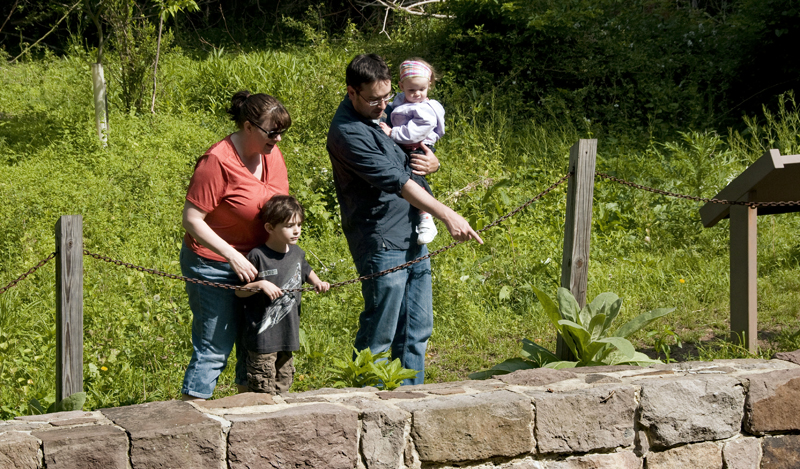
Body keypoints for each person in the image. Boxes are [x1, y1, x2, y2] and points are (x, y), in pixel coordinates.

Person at [327, 53, 483, 385]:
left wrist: (433, 163)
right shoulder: (348, 132)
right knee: (380, 332)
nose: (382, 105)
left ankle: (412, 401)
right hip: (380, 238)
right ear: (351, 92)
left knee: (416, 328)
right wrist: (447, 214)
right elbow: (398, 182)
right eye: (373, 99)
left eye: (386, 97)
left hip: (412, 232)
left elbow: (409, 156)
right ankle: (365, 405)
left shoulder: (381, 113)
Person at [180, 90, 291, 400]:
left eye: (282, 132)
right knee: (214, 348)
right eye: (273, 132)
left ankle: (246, 415)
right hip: (213, 264)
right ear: (248, 126)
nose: (279, 139)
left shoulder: (273, 154)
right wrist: (230, 255)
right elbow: (192, 219)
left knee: (253, 347)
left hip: (258, 263)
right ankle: (187, 423)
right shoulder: (217, 160)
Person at [234, 195, 329, 394]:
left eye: (299, 225)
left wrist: (318, 282)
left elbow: (306, 270)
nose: (296, 231)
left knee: (284, 387)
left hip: (287, 335)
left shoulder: (297, 253)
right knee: (261, 391)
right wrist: (259, 284)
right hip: (262, 340)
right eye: (289, 226)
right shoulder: (257, 256)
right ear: (270, 228)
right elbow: (238, 291)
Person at [379, 58, 444, 245]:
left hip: (417, 147)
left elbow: (415, 132)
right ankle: (417, 217)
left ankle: (427, 216)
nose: (417, 94)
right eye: (411, 90)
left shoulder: (425, 110)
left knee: (413, 177)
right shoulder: (399, 100)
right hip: (405, 146)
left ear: (429, 84)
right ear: (401, 86)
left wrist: (393, 133)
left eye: (421, 89)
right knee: (407, 177)